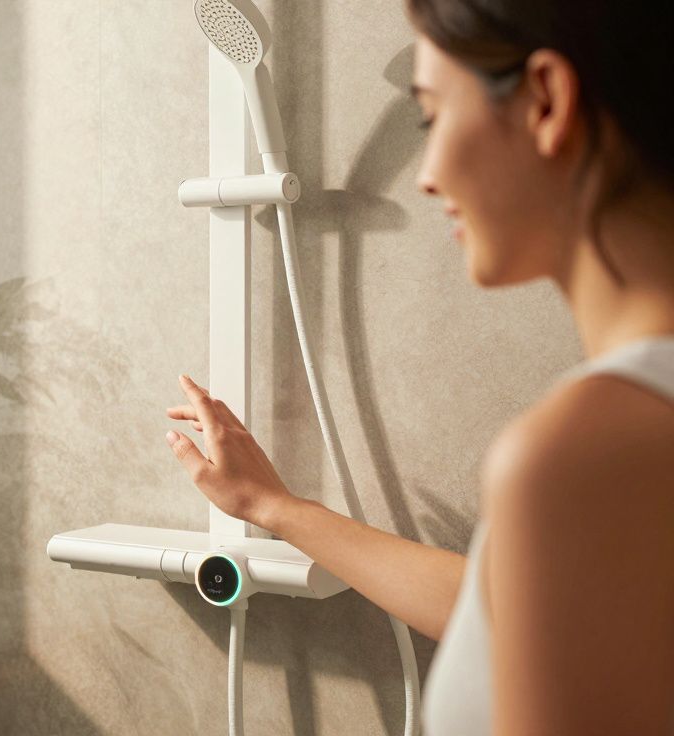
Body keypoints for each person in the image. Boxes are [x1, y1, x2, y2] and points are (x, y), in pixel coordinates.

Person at [165, 1, 674, 733]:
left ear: (547, 102)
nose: (428, 176)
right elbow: (508, 608)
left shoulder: (579, 456)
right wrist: (269, 507)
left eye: (431, 117)